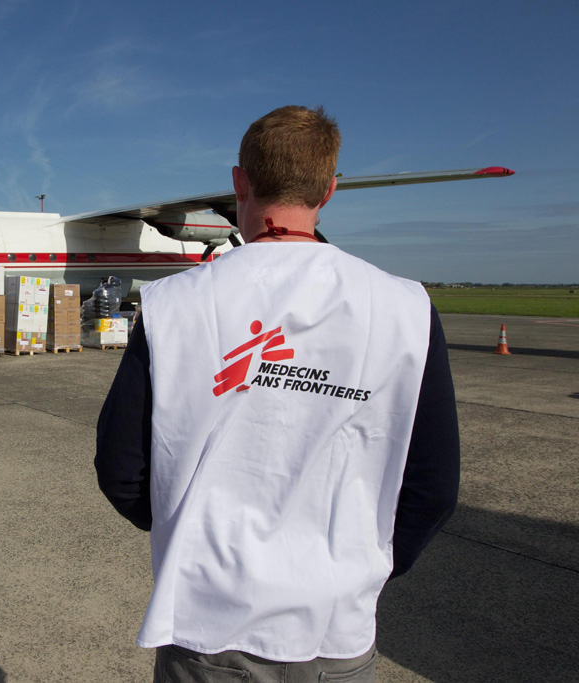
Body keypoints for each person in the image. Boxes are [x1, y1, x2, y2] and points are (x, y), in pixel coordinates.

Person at [94, 105, 459, 683]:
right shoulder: (406, 307)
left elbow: (120, 470)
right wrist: (363, 567)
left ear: (239, 181)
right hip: (336, 631)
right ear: (330, 191)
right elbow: (433, 488)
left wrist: (188, 534)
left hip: (207, 626)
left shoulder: (171, 304)